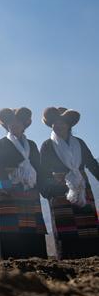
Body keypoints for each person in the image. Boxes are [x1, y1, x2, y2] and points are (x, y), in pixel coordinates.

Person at [39, 107, 99, 259]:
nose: (57, 126)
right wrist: (48, 189)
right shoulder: (47, 145)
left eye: (61, 123)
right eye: (54, 123)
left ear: (68, 125)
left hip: (82, 187)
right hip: (60, 191)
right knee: (66, 228)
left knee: (88, 226)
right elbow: (43, 172)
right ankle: (68, 259)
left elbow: (92, 164)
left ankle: (93, 257)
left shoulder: (79, 143)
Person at [0, 108, 48, 260]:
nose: (14, 125)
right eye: (10, 123)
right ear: (6, 125)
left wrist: (43, 188)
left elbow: (39, 168)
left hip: (30, 189)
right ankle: (12, 262)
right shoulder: (1, 144)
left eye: (18, 122)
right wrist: (4, 185)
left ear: (24, 124)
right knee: (11, 229)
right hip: (9, 191)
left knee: (33, 228)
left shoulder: (32, 145)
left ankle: (37, 259)